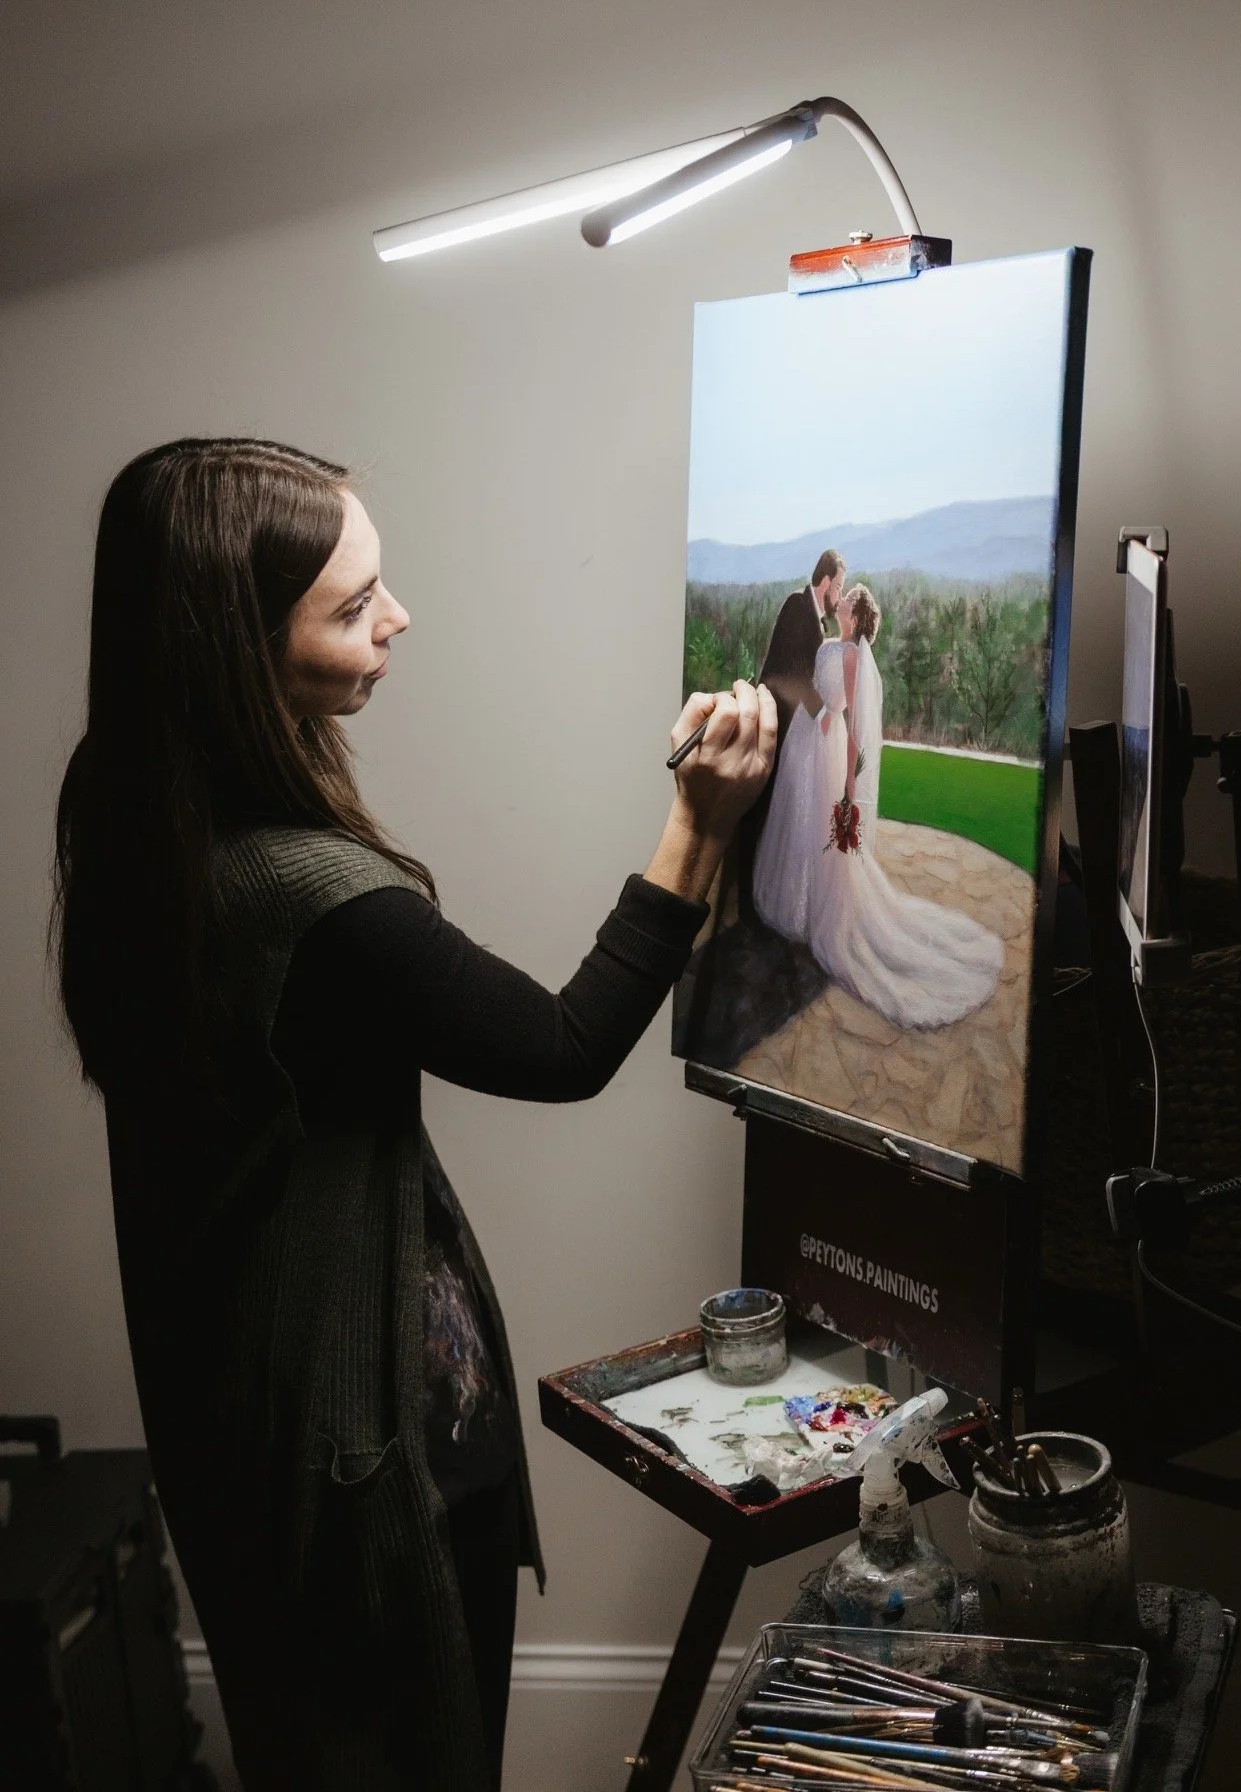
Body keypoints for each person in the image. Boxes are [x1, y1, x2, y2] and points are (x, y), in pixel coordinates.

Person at [51, 438, 776, 1791]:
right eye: (349, 605)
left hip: (246, 1434)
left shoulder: (129, 812)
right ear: (236, 651)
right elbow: (562, 1046)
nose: (397, 617)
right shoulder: (307, 899)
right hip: (366, 1466)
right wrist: (698, 823)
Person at [757, 582, 1004, 1030]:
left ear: (857, 615)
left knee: (825, 831)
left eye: (849, 599)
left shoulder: (853, 657)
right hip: (806, 740)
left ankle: (825, 913)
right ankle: (799, 904)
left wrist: (849, 789)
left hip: (829, 748)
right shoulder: (827, 646)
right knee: (801, 823)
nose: (842, 600)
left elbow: (854, 725)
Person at [735, 548, 845, 922]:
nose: (839, 596)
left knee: (779, 815)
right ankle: (748, 905)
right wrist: (825, 714)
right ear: (826, 581)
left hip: (792, 728)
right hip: (776, 725)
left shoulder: (813, 617)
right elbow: (795, 672)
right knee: (761, 813)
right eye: (839, 587)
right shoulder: (798, 607)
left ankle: (763, 897)